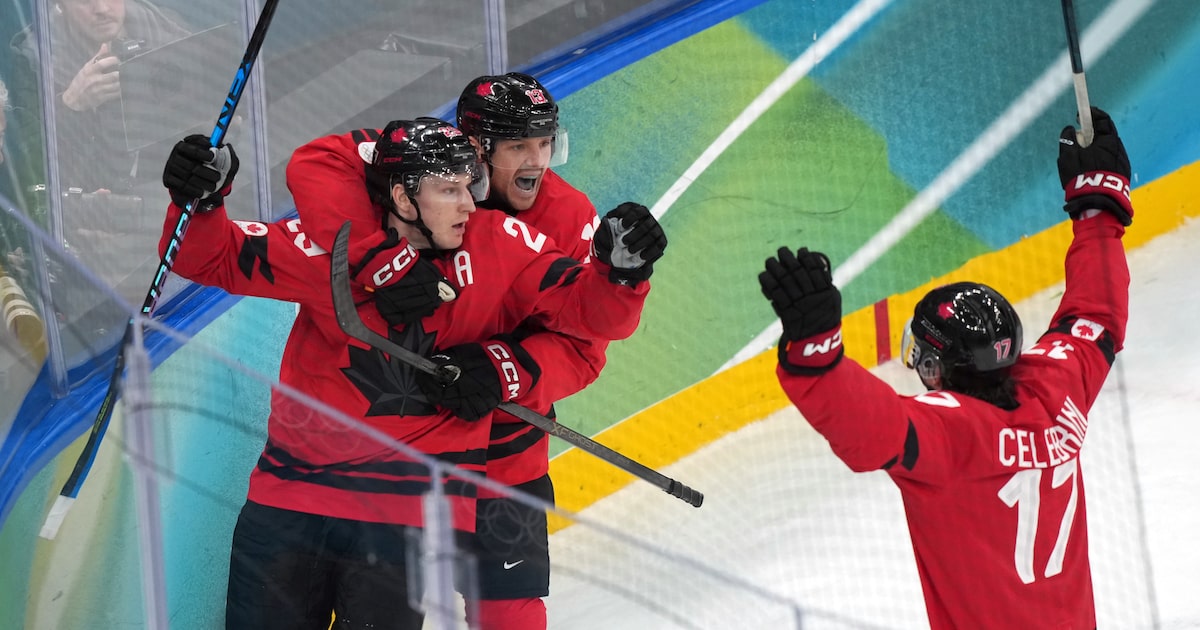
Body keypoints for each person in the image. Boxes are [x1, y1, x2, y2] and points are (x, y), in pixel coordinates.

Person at [159, 117, 666, 629]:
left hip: (401, 516)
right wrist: (199, 202)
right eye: (450, 190)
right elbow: (210, 257)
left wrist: (620, 275)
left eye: (471, 186)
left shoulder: (502, 245)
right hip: (291, 494)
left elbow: (588, 316)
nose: (471, 204)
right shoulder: (330, 250)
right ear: (403, 200)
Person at [757, 106, 1131, 629]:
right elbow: (1094, 314)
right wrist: (1098, 212)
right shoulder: (1056, 387)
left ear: (935, 365)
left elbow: (874, 430)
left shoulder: (955, 433)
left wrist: (815, 354)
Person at [286, 72, 630, 629]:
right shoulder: (419, 160)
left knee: (509, 605)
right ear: (476, 146)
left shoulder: (569, 217)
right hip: (393, 452)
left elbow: (587, 347)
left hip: (503, 453)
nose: (537, 161)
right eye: (519, 144)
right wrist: (378, 256)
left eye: (546, 143)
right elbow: (316, 162)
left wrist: (507, 368)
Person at [9, 0, 190, 194]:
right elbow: (28, 167)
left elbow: (215, 128)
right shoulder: (32, 59)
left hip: (166, 195)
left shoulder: (172, 34)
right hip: (88, 208)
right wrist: (70, 105)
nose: (102, 9)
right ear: (59, 4)